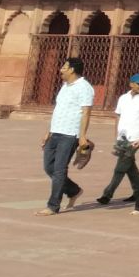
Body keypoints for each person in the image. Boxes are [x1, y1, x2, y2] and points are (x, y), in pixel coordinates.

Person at [38, 57, 95, 217]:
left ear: (72, 69)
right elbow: (59, 110)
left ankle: (53, 205)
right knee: (49, 167)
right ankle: (73, 190)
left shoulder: (85, 88)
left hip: (70, 134)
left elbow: (86, 112)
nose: (61, 69)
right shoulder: (64, 86)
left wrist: (82, 136)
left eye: (64, 67)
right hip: (56, 132)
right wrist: (48, 131)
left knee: (59, 169)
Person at [96, 73, 139, 205]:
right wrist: (117, 135)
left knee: (120, 167)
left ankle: (107, 194)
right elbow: (118, 116)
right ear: (131, 84)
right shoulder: (123, 98)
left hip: (137, 138)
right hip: (123, 136)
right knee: (129, 165)